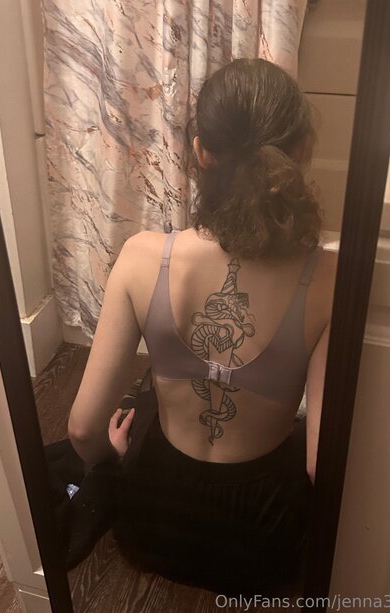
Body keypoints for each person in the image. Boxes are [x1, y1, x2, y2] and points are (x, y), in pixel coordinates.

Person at [67, 58, 337, 595]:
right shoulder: (331, 279)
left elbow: (80, 429)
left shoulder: (142, 257)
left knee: (143, 403)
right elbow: (318, 464)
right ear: (303, 149)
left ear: (201, 152)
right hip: (260, 543)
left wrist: (111, 460)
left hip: (156, 521)